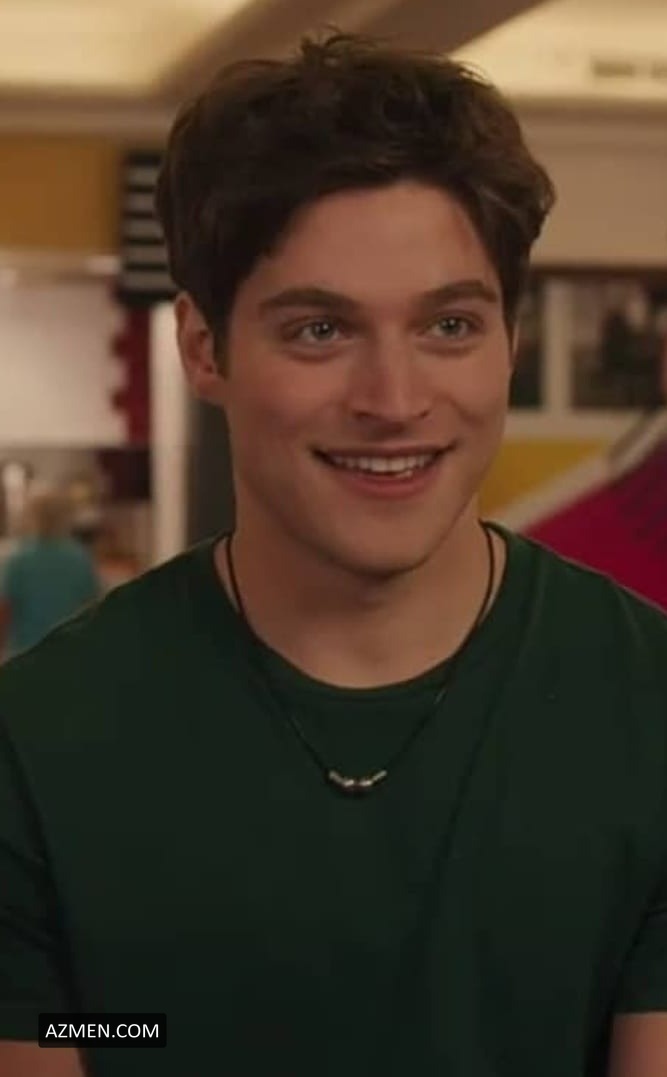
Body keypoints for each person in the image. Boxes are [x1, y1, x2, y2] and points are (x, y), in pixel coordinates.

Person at [0, 33, 666, 1077]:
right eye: (319, 330)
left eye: (449, 324)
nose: (393, 401)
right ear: (203, 348)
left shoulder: (647, 706)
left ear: (511, 340)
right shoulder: (36, 743)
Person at [0, 487, 100, 661]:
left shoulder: (18, 560)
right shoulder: (79, 559)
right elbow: (92, 609)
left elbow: (5, 612)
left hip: (26, 655)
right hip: (68, 653)